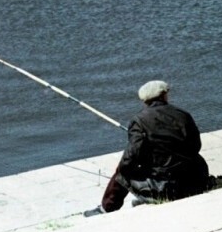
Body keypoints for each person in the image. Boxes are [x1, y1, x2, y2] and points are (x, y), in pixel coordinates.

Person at [84, 80, 209, 216]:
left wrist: (144, 161)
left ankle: (106, 208)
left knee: (123, 171)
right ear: (164, 95)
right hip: (195, 180)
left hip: (166, 187)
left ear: (144, 101)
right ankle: (150, 195)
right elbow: (196, 145)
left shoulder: (139, 121)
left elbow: (131, 157)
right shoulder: (183, 115)